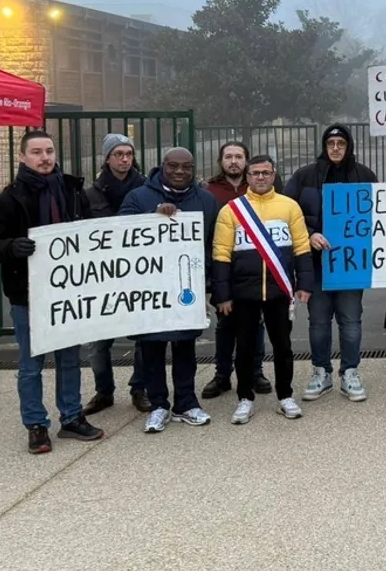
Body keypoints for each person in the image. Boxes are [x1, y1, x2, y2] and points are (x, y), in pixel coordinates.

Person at [0, 130, 104, 453]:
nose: (44, 157)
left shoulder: (72, 191)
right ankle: (36, 425)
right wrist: (11, 247)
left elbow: (91, 232)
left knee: (69, 359)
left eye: (49, 151)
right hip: (28, 295)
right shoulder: (9, 198)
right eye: (36, 152)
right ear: (22, 157)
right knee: (31, 364)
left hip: (69, 292)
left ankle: (72, 417)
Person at [120, 147, 218, 433]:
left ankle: (186, 403)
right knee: (152, 347)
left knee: (185, 347)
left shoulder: (206, 200)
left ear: (193, 169)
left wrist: (203, 273)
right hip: (151, 289)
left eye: (186, 167)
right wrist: (152, 218)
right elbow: (121, 235)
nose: (179, 172)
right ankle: (158, 405)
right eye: (173, 166)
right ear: (162, 166)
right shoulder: (138, 197)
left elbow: (214, 243)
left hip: (188, 286)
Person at [213, 155, 314, 424]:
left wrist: (305, 283)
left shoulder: (289, 206)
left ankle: (285, 396)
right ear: (247, 176)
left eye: (265, 173)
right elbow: (221, 254)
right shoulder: (231, 210)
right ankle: (245, 398)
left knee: (283, 347)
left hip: (279, 290)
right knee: (245, 347)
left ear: (273, 175)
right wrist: (222, 295)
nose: (260, 177)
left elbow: (301, 247)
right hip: (244, 292)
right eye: (255, 173)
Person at [284, 123, 378, 403]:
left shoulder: (365, 175)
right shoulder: (304, 176)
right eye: (331, 143)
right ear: (324, 146)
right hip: (316, 264)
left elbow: (382, 214)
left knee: (351, 321)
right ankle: (321, 372)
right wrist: (309, 234)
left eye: (341, 143)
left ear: (349, 146)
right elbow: (288, 215)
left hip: (351, 263)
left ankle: (350, 372)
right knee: (319, 322)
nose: (336, 148)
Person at [82, 134, 150, 415]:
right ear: (107, 158)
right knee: (98, 342)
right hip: (103, 278)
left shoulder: (147, 190)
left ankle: (139, 389)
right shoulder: (90, 194)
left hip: (140, 275)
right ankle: (104, 391)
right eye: (118, 154)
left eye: (129, 154)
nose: (124, 159)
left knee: (145, 339)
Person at [201, 141, 270, 399]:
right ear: (221, 161)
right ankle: (222, 375)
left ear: (246, 161)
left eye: (239, 157)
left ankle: (255, 372)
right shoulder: (209, 192)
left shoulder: (258, 188)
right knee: (225, 325)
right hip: (223, 269)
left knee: (256, 323)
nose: (233, 161)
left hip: (254, 268)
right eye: (228, 156)